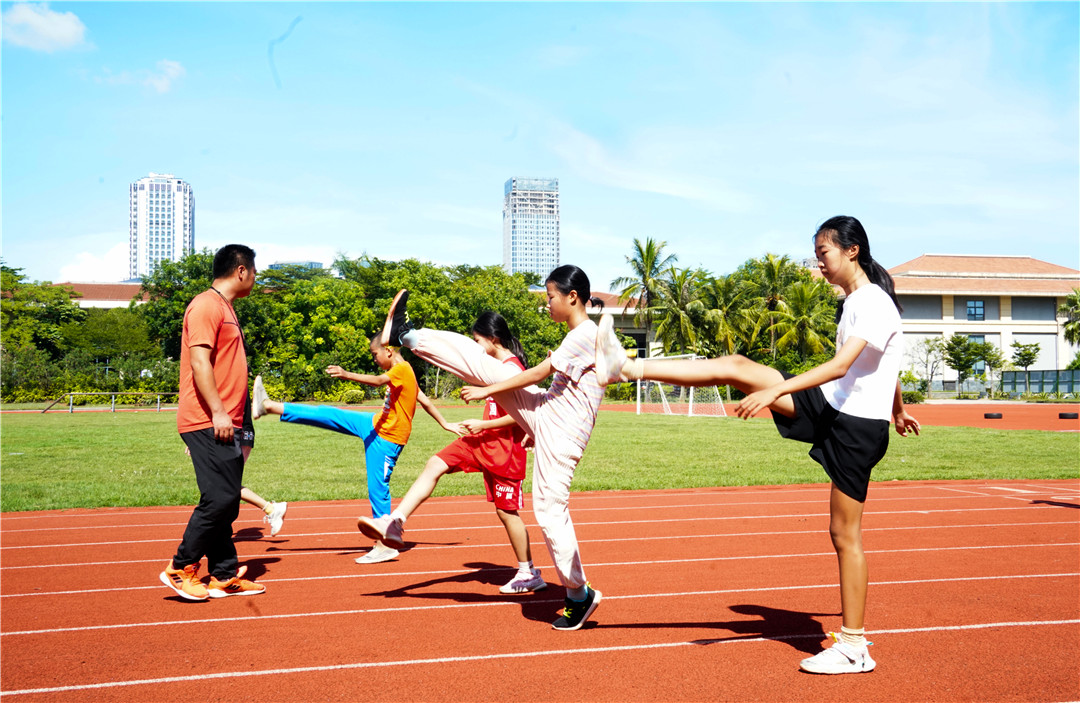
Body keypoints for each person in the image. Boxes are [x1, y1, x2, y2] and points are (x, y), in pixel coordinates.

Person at [602, 215, 921, 674]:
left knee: (844, 535)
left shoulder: (871, 301)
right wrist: (899, 406)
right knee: (737, 364)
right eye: (817, 257)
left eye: (824, 255)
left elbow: (841, 365)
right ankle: (626, 368)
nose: (819, 265)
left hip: (852, 425)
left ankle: (854, 646)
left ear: (852, 251)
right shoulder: (858, 300)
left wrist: (777, 392)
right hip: (836, 407)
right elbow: (880, 364)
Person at [373, 265, 614, 630]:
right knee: (482, 364)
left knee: (549, 512)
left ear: (572, 297)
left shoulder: (584, 334)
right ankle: (408, 335)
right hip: (548, 413)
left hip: (562, 432)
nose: (547, 304)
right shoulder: (580, 334)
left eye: (550, 297)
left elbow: (539, 372)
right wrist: (527, 421)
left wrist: (489, 393)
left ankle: (578, 595)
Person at [358, 312, 545, 594]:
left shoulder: (514, 369)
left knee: (507, 513)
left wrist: (485, 422)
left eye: (478, 340)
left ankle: (527, 572)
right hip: (481, 440)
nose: (476, 346)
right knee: (435, 464)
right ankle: (395, 521)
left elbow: (526, 415)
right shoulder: (492, 365)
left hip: (505, 448)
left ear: (493, 339)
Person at [251, 336, 464, 564]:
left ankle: (385, 545)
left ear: (389, 351)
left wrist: (346, 374)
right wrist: (445, 423)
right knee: (330, 414)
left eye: (375, 354)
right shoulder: (405, 370)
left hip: (387, 439)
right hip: (374, 424)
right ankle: (269, 407)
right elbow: (425, 400)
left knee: (378, 489)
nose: (374, 359)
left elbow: (379, 381)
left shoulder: (401, 370)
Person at [160, 244, 266, 601]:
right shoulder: (206, 304)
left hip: (227, 421)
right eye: (254, 271)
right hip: (208, 419)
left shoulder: (226, 308)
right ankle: (180, 567)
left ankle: (222, 574)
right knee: (219, 498)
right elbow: (199, 363)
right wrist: (219, 412)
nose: (255, 277)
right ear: (241, 271)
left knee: (227, 501)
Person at [237, 400, 287, 536]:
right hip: (236, 431)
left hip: (236, 432)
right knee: (222, 485)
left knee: (225, 483)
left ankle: (271, 508)